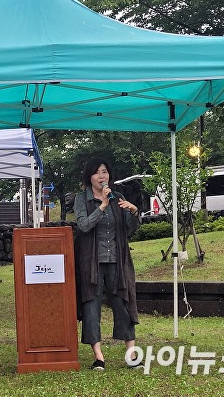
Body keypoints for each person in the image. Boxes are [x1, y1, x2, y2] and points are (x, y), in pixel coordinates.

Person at [73, 157, 141, 371]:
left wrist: (133, 212)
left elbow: (129, 230)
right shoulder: (81, 199)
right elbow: (83, 226)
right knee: (91, 305)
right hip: (91, 261)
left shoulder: (117, 197)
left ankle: (131, 354)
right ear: (89, 177)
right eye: (97, 172)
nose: (102, 176)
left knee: (123, 302)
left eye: (104, 172)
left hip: (117, 260)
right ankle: (98, 356)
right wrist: (102, 205)